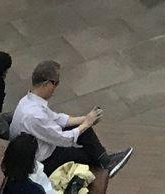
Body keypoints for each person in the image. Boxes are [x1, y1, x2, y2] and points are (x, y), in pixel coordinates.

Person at [10, 57, 130, 186]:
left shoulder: (28, 101)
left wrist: (86, 119)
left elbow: (57, 119)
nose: (56, 88)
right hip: (43, 161)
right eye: (56, 83)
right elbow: (63, 139)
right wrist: (86, 123)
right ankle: (105, 164)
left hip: (42, 147)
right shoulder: (34, 115)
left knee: (84, 132)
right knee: (87, 154)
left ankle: (105, 160)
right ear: (47, 84)